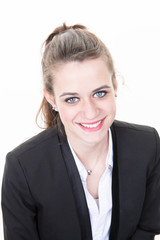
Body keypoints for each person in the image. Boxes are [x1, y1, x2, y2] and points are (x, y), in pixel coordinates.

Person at [1, 23, 160, 240]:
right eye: (72, 99)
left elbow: (148, 228)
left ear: (114, 85)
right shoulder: (23, 168)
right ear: (51, 99)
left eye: (100, 93)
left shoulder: (147, 145)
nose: (90, 111)